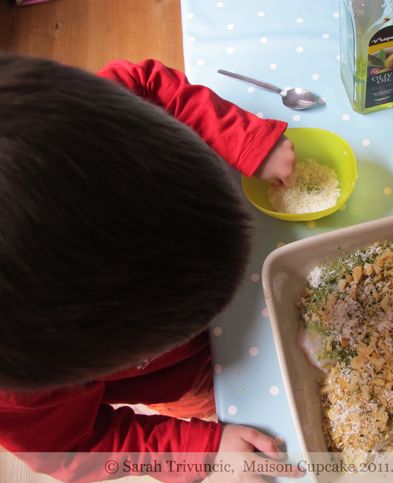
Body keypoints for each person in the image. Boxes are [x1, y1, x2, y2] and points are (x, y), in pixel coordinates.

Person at [0, 54, 302, 481]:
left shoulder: (74, 124)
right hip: (183, 376)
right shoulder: (17, 393)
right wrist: (204, 449)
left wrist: (248, 140)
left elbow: (144, 81)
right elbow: (76, 448)